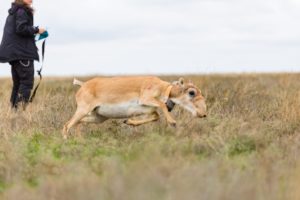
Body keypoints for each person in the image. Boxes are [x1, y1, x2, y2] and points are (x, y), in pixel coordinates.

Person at [0, 0, 46, 110]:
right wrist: (37, 30)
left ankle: (13, 113)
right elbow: (21, 29)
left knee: (18, 84)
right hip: (22, 55)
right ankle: (19, 114)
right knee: (26, 83)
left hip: (16, 54)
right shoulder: (21, 11)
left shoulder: (15, 11)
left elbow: (19, 32)